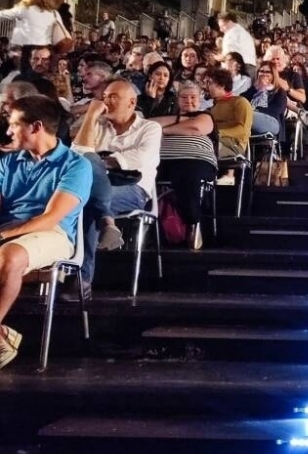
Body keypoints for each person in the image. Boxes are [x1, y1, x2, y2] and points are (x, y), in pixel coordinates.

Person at [0, 95, 93, 368]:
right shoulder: (9, 162)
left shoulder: (76, 165)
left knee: (11, 255)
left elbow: (50, 217)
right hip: (9, 229)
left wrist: (4, 235)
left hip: (54, 234)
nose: (8, 131)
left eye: (14, 124)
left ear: (36, 127)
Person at [71, 80, 162, 295]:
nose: (106, 101)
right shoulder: (98, 125)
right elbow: (76, 154)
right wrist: (91, 117)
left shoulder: (150, 128)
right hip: (97, 187)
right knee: (89, 198)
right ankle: (107, 222)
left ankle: (82, 280)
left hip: (133, 188)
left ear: (131, 102)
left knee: (89, 195)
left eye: (113, 97)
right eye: (104, 97)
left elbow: (141, 158)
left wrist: (98, 161)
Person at [150, 82, 218, 248]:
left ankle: (193, 222)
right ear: (177, 99)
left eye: (193, 97)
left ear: (200, 99)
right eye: (184, 97)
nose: (189, 101)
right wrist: (180, 122)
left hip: (196, 159)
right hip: (163, 161)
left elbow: (196, 127)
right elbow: (149, 124)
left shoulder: (206, 115)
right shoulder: (166, 114)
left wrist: (164, 129)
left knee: (187, 173)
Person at [0, 0, 62, 74]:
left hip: (30, 51)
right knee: (45, 78)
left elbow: (2, 14)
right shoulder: (54, 13)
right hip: (48, 51)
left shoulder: (24, 9)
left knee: (28, 77)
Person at [217, 13, 257, 80]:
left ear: (229, 22)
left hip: (240, 68)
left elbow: (229, 55)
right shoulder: (245, 33)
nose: (221, 30)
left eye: (222, 26)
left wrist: (217, 57)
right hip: (252, 68)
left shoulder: (229, 34)